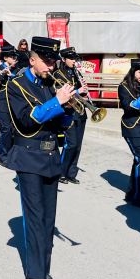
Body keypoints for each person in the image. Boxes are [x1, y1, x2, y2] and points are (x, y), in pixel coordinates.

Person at [3, 36, 75, 279]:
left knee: (48, 220)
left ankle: (45, 271)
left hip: (51, 158)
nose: (51, 65)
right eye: (46, 60)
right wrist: (57, 102)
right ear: (32, 59)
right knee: (34, 220)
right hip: (29, 158)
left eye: (53, 60)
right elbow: (26, 120)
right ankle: (34, 278)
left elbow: (61, 125)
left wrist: (69, 108)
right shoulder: (16, 85)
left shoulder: (50, 84)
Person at [118, 59, 140, 209]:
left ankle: (132, 192)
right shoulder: (124, 86)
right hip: (133, 127)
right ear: (133, 71)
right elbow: (129, 106)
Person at [52, 47, 90, 184]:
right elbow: (62, 93)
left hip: (80, 111)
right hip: (69, 113)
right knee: (71, 143)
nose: (74, 61)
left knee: (78, 145)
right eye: (72, 58)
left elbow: (80, 92)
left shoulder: (75, 72)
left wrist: (84, 92)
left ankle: (71, 173)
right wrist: (78, 90)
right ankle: (61, 172)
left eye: (75, 58)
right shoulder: (58, 74)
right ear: (63, 59)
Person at [0, 44, 20, 166]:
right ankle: (3, 156)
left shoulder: (17, 70)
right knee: (5, 129)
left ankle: (12, 153)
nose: (15, 59)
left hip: (14, 103)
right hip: (2, 102)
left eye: (15, 57)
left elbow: (20, 86)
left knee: (14, 129)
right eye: (13, 57)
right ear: (6, 58)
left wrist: (11, 75)